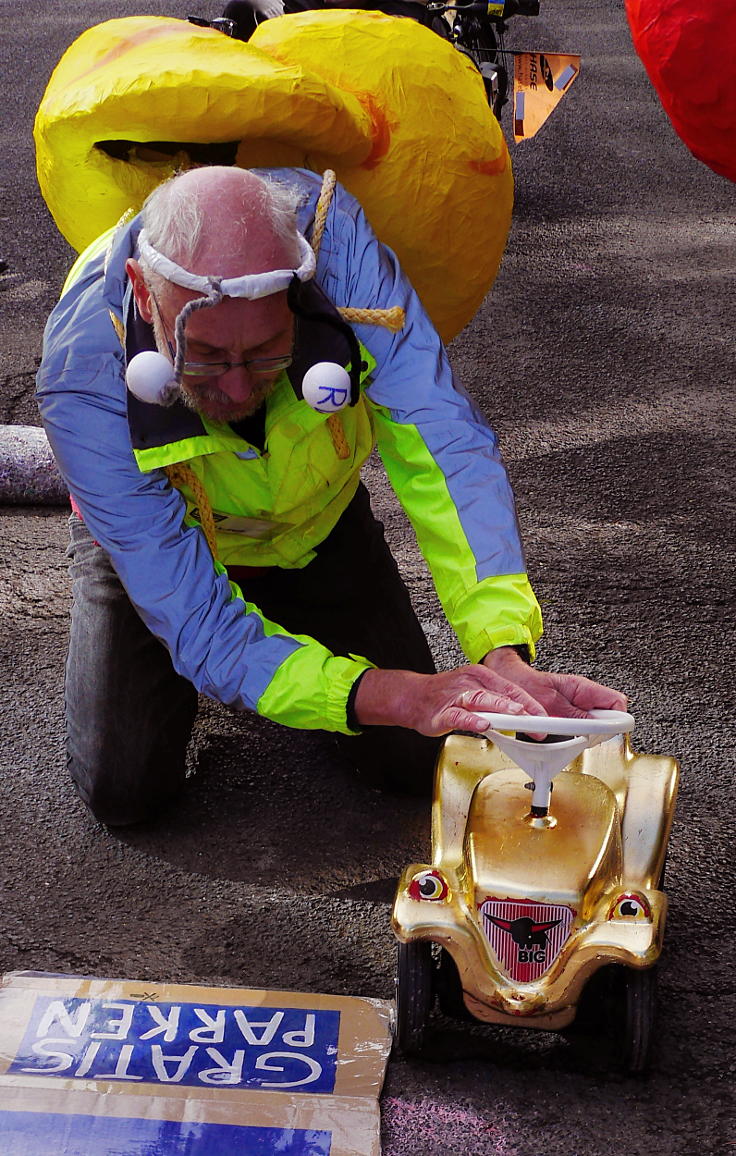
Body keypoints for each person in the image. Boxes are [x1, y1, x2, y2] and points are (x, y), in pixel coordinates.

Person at [37, 165, 625, 826]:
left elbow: (439, 444)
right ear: (144, 292)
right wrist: (387, 693)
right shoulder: (82, 370)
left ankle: (280, 659)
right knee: (125, 790)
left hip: (315, 525)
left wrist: (502, 648)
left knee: (417, 757)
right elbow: (202, 627)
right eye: (202, 354)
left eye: (265, 352)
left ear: (301, 288)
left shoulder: (341, 255)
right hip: (172, 541)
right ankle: (248, 663)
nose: (234, 391)